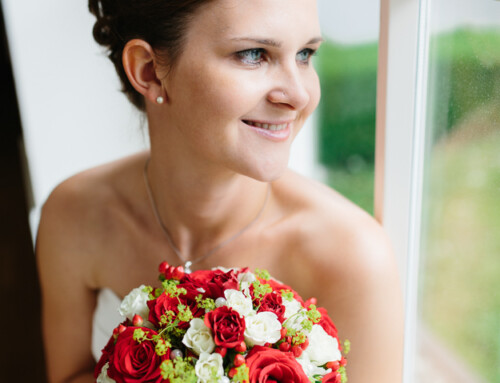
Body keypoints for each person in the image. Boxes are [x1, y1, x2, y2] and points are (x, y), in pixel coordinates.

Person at [36, 0, 404, 382]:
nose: (299, 96)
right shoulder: (73, 215)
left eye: (305, 54)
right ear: (150, 72)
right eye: (253, 54)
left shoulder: (354, 256)